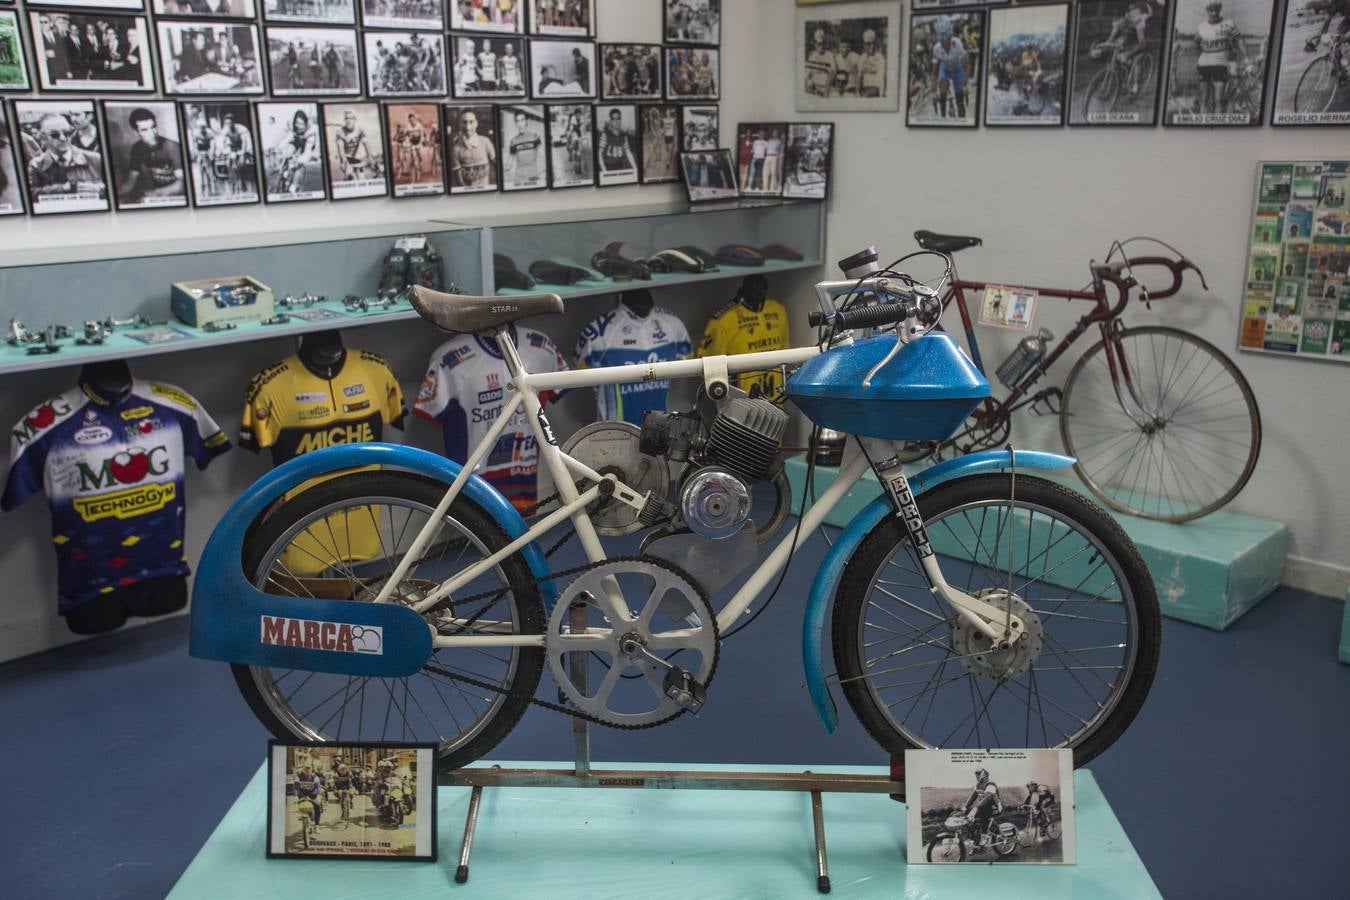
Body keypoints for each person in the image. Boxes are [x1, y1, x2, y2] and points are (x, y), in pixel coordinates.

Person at [26, 112, 105, 198]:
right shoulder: (36, 165)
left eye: (67, 133)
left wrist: (100, 189)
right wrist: (64, 189)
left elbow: (116, 188)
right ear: (42, 137)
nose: (63, 138)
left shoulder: (95, 159)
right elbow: (31, 194)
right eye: (55, 135)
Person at [1194, 0, 1247, 115]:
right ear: (1207, 10)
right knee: (1204, 99)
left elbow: (1239, 39)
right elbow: (1197, 44)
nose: (1214, 13)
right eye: (1211, 10)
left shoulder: (1229, 24)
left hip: (1220, 65)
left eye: (1217, 9)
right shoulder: (1201, 27)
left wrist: (1246, 56)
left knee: (1219, 100)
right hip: (1204, 65)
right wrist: (1198, 60)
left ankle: (1217, 126)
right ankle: (1202, 126)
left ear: (1220, 9)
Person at [122, 107, 183, 202]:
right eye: (145, 130)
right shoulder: (137, 148)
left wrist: (153, 194)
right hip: (154, 196)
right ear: (136, 132)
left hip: (178, 198)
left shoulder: (172, 146)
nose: (152, 133)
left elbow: (182, 184)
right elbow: (131, 182)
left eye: (153, 127)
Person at [1093, 0, 1152, 97]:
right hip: (1131, 32)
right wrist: (1100, 49)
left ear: (1124, 17)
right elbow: (1110, 39)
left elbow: (1142, 44)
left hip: (1143, 36)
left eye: (1117, 24)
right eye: (1114, 24)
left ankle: (1135, 87)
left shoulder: (1138, 19)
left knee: (1136, 60)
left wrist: (1128, 54)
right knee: (1119, 46)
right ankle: (1123, 78)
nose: (1115, 26)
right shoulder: (1120, 21)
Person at [930, 18, 970, 118]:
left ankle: (962, 121)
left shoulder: (958, 44)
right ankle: (943, 117)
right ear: (939, 40)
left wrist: (965, 84)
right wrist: (934, 90)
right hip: (945, 69)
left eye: (946, 40)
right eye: (942, 41)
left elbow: (967, 66)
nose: (945, 43)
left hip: (958, 69)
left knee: (959, 100)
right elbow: (934, 72)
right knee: (942, 92)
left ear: (950, 36)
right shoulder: (936, 48)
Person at [451, 108, 496, 188]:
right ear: (460, 124)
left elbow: (496, 164)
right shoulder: (456, 149)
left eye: (471, 122)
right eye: (464, 122)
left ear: (476, 123)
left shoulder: (485, 142)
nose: (468, 127)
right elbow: (459, 181)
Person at [961, 768, 1002, 852]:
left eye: (979, 775)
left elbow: (987, 798)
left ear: (985, 776)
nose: (977, 777)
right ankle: (977, 843)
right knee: (969, 819)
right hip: (983, 807)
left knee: (983, 817)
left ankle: (984, 838)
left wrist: (976, 807)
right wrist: (966, 806)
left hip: (994, 807)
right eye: (976, 775)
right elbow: (973, 797)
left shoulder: (990, 785)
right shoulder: (978, 785)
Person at [333, 108, 374, 181]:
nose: (348, 121)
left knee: (362, 180)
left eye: (351, 118)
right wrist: (344, 162)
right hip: (346, 158)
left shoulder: (360, 130)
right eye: (346, 118)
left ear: (355, 119)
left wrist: (370, 157)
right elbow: (340, 148)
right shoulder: (340, 132)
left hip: (357, 158)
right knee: (350, 177)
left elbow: (366, 144)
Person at [597, 108, 635, 173]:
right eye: (614, 119)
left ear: (621, 120)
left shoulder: (623, 136)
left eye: (618, 118)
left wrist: (635, 168)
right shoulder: (605, 134)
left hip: (620, 166)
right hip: (607, 167)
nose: (616, 122)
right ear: (610, 121)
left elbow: (628, 152)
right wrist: (605, 171)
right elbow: (599, 153)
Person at [805, 28, 834, 96]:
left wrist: (826, 89)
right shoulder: (812, 56)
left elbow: (832, 72)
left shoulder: (829, 55)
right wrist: (808, 86)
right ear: (815, 45)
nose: (822, 46)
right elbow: (807, 75)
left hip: (827, 88)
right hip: (814, 88)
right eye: (819, 44)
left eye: (823, 44)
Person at [859, 28, 885, 98]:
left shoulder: (879, 57)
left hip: (874, 88)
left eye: (873, 43)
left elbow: (881, 78)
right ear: (864, 45)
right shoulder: (862, 57)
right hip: (864, 89)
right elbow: (859, 76)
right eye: (868, 44)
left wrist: (881, 95)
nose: (872, 46)